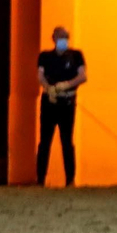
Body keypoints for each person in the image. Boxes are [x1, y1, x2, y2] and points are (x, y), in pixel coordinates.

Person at [35, 26, 86, 187]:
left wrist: (66, 85)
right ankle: (40, 179)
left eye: (65, 37)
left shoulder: (76, 56)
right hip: (50, 102)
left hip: (67, 102)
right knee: (45, 141)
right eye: (60, 37)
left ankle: (70, 180)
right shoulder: (45, 56)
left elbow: (82, 76)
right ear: (54, 39)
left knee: (67, 141)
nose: (63, 40)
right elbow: (40, 75)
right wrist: (48, 88)